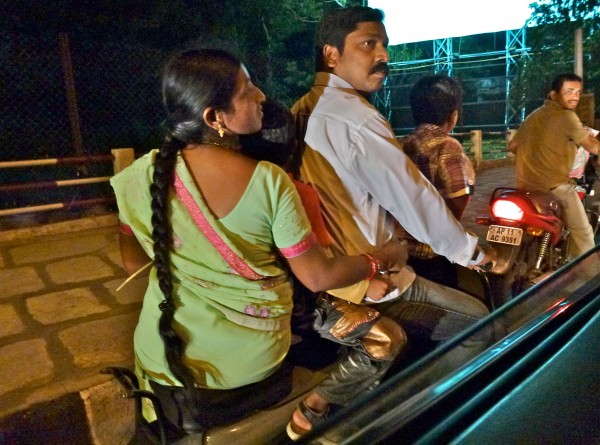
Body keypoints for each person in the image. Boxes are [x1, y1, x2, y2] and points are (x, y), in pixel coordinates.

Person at [110, 48, 407, 437]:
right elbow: (318, 275)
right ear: (215, 117)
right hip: (244, 367)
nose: (262, 96)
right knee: (386, 339)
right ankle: (314, 417)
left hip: (159, 362)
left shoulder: (136, 177)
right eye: (248, 90)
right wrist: (380, 258)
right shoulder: (269, 181)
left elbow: (134, 263)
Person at [289, 6, 494, 440]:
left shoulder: (302, 110)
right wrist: (474, 254)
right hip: (368, 275)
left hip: (326, 271)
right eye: (368, 44)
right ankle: (429, 419)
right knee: (479, 323)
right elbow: (415, 198)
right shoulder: (354, 118)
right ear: (331, 54)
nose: (383, 55)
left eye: (384, 45)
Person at [508, 73, 600, 259]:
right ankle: (585, 278)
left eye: (578, 92)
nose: (575, 96)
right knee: (583, 232)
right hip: (553, 186)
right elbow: (592, 146)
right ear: (553, 94)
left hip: (524, 187)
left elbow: (513, 146)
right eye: (569, 91)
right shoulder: (567, 116)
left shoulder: (533, 116)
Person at [396, 74, 475, 288]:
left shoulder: (399, 145)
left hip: (400, 250)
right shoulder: (447, 146)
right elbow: (460, 194)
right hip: (433, 252)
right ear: (454, 116)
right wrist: (444, 230)